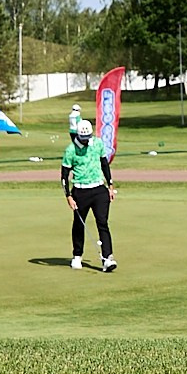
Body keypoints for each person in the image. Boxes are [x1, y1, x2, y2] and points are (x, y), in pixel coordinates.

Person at [60, 115, 116, 271]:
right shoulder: (71, 150)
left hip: (99, 189)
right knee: (79, 224)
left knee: (102, 223)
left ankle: (107, 258)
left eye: (88, 137)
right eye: (83, 138)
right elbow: (64, 176)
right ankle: (77, 256)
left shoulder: (97, 143)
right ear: (78, 135)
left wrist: (110, 185)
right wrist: (68, 196)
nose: (86, 140)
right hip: (80, 191)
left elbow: (105, 165)